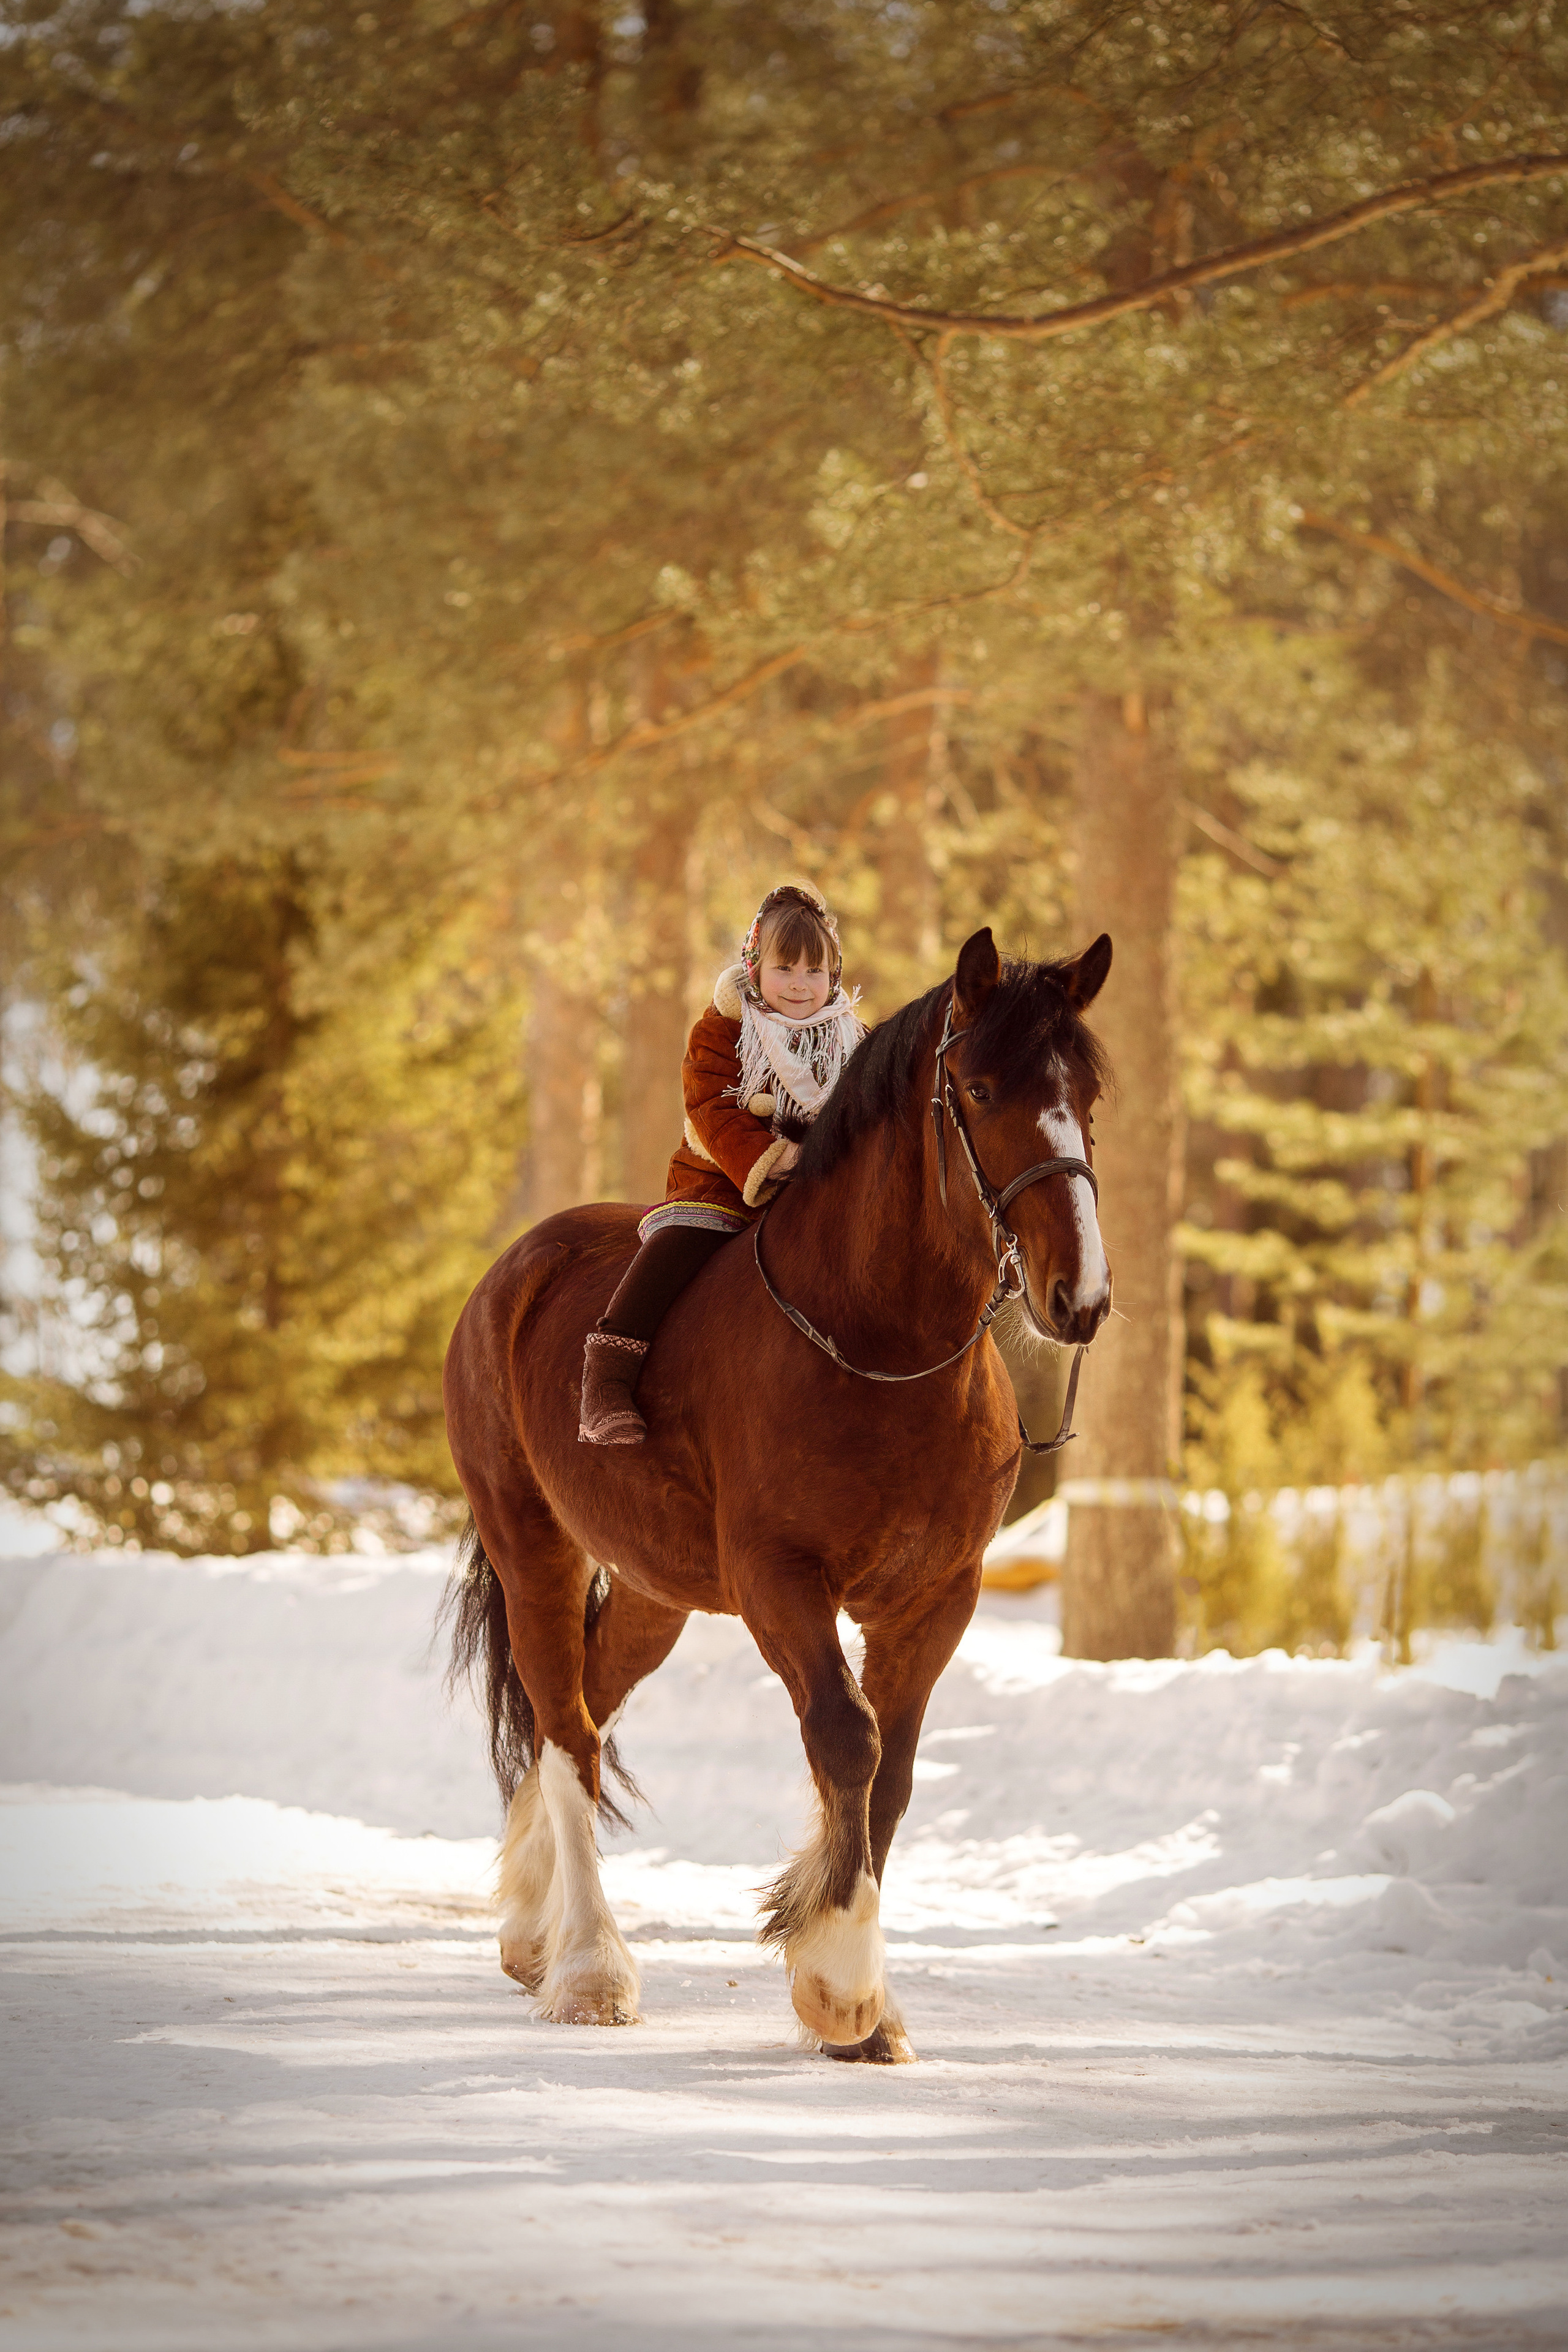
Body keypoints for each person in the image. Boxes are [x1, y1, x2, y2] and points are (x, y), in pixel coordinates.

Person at [579, 880, 862, 1445]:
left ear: (833, 975)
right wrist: (777, 1159)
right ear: (754, 968)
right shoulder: (723, 1029)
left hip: (824, 1186)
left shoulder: (851, 1039)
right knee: (678, 1246)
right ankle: (608, 1373)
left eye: (815, 971)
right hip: (722, 1180)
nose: (800, 984)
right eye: (785, 969)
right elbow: (711, 1107)